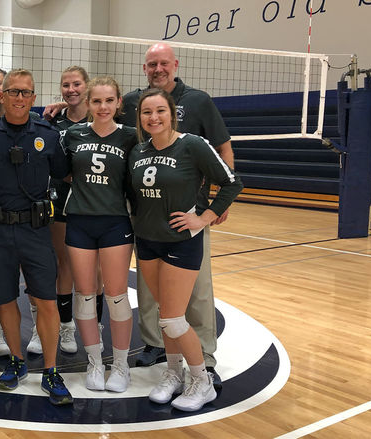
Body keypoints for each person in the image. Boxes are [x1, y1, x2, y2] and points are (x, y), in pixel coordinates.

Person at [117, 43, 235, 390]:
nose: (158, 69)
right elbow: (103, 113)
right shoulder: (130, 103)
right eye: (152, 64)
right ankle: (159, 349)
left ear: (175, 65)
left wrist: (214, 207)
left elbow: (224, 150)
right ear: (145, 68)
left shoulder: (198, 101)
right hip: (148, 220)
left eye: (163, 63)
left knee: (196, 294)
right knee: (153, 297)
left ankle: (205, 360)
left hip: (189, 217)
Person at [0, 69, 73, 406]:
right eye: (13, 91)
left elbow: (63, 172)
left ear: (33, 97)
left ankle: (51, 371)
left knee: (45, 300)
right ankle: (16, 361)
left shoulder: (47, 133)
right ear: (3, 94)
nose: (18, 98)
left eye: (25, 93)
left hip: (35, 229)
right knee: (4, 299)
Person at [60, 76, 137, 392]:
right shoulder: (73, 135)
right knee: (85, 294)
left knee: (117, 296)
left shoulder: (131, 137)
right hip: (79, 221)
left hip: (116, 223)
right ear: (88, 104)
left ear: (119, 103)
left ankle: (120, 365)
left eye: (109, 101)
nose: (103, 107)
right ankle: (94, 362)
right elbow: (63, 171)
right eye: (97, 101)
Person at [31, 65, 92, 356]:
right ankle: (44, 325)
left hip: (92, 202)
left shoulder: (100, 118)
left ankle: (67, 324)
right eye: (66, 85)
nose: (71, 90)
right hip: (58, 198)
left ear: (87, 86)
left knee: (80, 268)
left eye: (76, 84)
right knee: (54, 261)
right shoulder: (52, 121)